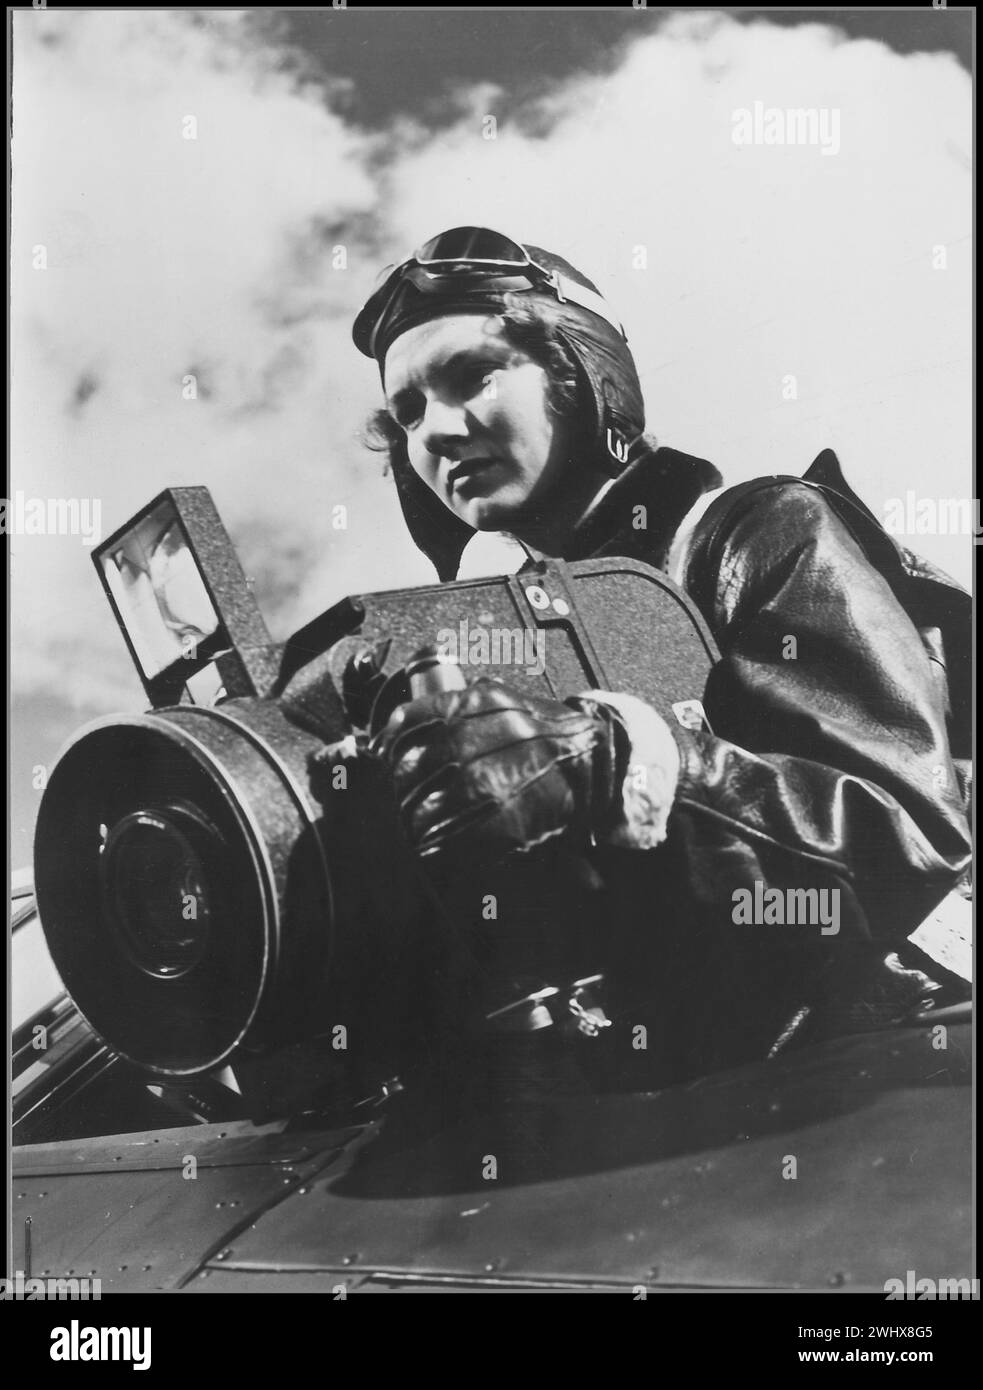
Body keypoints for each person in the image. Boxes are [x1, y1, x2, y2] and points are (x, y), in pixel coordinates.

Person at [351, 226, 971, 1084]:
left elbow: (899, 835)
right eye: (408, 413)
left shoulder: (756, 534)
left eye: (472, 376)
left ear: (582, 374)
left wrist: (627, 764)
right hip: (668, 1102)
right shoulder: (492, 656)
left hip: (892, 1054)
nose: (437, 433)